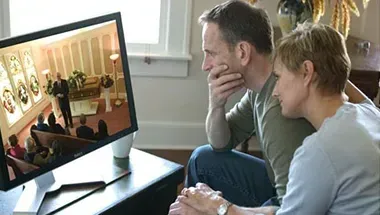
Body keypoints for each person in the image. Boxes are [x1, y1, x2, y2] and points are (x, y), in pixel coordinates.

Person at [169, 1, 369, 215]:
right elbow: (221, 143)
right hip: (290, 188)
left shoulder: (279, 113)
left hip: (294, 199)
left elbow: (289, 209)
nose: (206, 65)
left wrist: (220, 209)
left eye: (211, 53)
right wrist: (216, 104)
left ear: (243, 52)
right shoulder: (259, 89)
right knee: (204, 158)